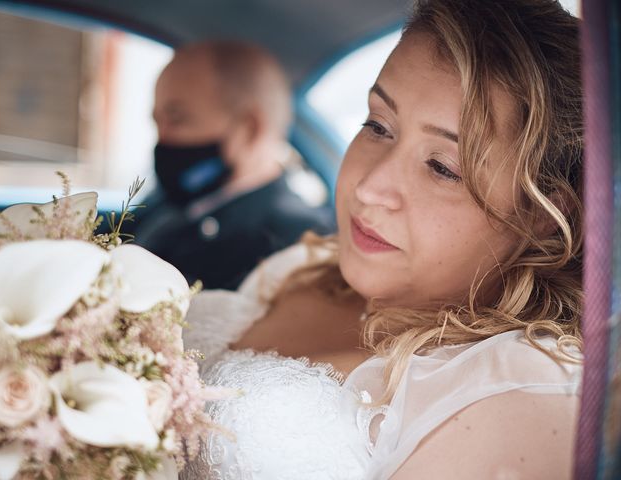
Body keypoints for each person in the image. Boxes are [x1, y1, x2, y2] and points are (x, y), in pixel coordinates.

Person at [181, 0, 583, 478]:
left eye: (442, 168)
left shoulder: (517, 394)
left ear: (540, 214)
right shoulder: (297, 267)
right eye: (378, 125)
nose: (369, 188)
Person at [131, 41, 335, 289]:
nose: (162, 139)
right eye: (157, 121)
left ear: (250, 130)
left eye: (177, 119)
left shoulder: (298, 245)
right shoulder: (163, 203)